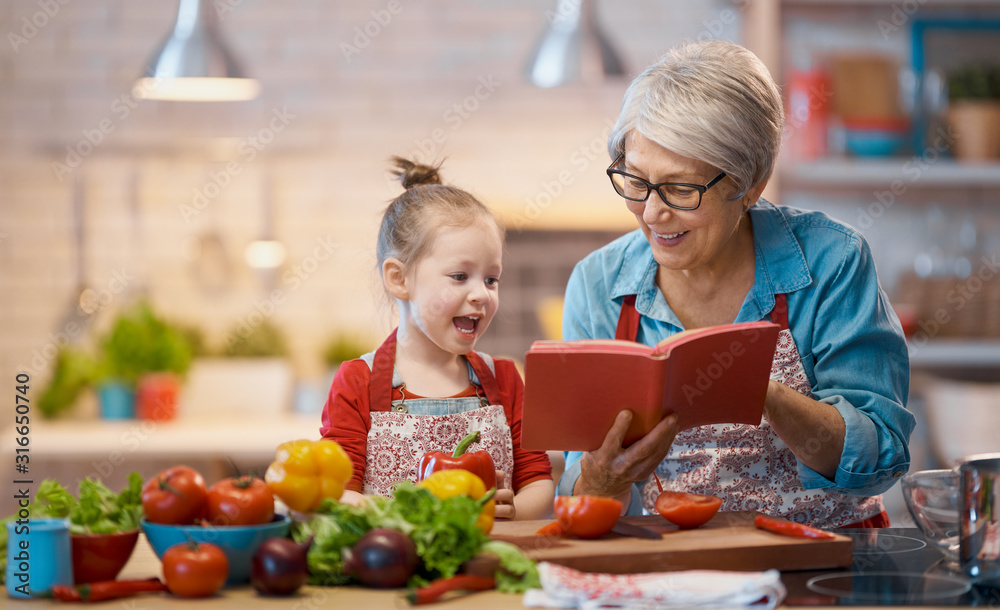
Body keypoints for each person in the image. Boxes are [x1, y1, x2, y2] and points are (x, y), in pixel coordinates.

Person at [557, 39, 915, 528]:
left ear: (752, 183)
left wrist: (763, 392)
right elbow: (584, 491)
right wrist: (602, 483)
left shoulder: (833, 262)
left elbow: (881, 462)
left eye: (681, 189)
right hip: (681, 575)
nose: (652, 212)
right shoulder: (599, 284)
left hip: (825, 566)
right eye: (636, 181)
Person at [321, 157, 554, 520]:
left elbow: (538, 481)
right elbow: (336, 493)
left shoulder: (505, 379)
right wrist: (413, 515)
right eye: (460, 276)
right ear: (400, 278)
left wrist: (516, 510)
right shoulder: (358, 382)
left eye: (491, 279)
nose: (481, 294)